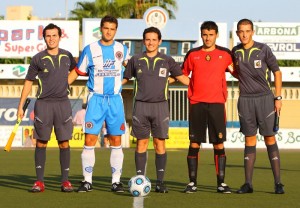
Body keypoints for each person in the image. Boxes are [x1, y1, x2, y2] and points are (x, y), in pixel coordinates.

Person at [123, 27, 189, 193]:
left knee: (160, 143)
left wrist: (204, 84)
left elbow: (182, 78)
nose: (150, 42)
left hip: (160, 106)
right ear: (143, 41)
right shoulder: (135, 59)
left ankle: (160, 182)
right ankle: (140, 178)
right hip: (141, 106)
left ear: (160, 41)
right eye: (147, 39)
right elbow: (124, 79)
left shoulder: (167, 60)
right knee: (141, 143)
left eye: (154, 39)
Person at [68, 15, 130, 193]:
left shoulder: (122, 49)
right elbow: (77, 72)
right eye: (106, 28)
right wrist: (62, 86)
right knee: (90, 140)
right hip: (95, 100)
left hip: (115, 101)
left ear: (115, 30)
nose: (109, 31)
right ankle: (87, 181)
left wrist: (120, 83)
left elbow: (131, 71)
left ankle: (116, 182)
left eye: (112, 29)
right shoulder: (90, 49)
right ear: (101, 29)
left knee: (116, 140)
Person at [17, 23, 76, 193]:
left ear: (60, 36)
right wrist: (21, 106)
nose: (51, 39)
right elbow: (28, 82)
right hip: (43, 104)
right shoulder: (37, 58)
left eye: (54, 35)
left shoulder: (67, 56)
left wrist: (66, 83)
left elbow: (76, 70)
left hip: (63, 104)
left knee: (64, 142)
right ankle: (39, 182)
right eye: (48, 36)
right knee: (41, 142)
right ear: (44, 38)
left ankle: (65, 181)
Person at [181, 21, 235, 194]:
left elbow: (237, 72)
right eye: (205, 34)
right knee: (194, 143)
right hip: (197, 103)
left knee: (218, 143)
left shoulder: (225, 54)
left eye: (211, 34)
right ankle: (192, 183)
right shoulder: (193, 54)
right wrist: (193, 86)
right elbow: (182, 74)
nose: (207, 38)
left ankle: (221, 183)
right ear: (201, 35)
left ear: (216, 35)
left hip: (217, 104)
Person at [232, 18, 284, 194]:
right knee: (249, 139)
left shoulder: (263, 49)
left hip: (265, 99)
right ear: (237, 33)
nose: (244, 34)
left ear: (252, 32)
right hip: (245, 100)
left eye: (247, 31)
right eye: (241, 31)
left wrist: (278, 97)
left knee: (269, 137)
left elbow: (277, 72)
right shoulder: (235, 51)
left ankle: (278, 183)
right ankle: (248, 184)